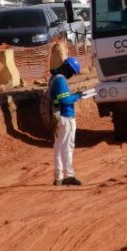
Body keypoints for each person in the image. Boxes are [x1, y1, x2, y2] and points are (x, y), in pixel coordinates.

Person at [49, 57, 86, 186]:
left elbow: (60, 98)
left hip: (58, 118)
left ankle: (58, 176)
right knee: (67, 147)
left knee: (58, 147)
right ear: (69, 69)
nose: (71, 76)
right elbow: (65, 100)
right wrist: (78, 96)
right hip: (66, 117)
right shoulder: (60, 80)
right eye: (72, 72)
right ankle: (68, 175)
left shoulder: (54, 78)